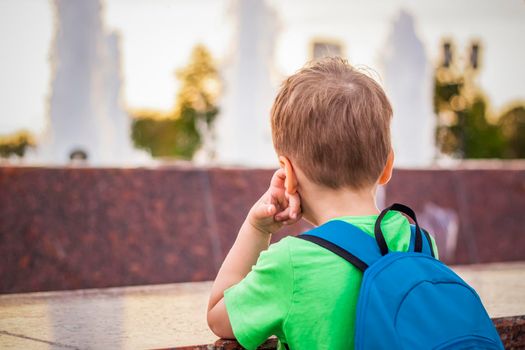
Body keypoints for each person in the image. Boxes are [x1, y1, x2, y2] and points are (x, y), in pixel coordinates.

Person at [207, 57, 433, 349]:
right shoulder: (418, 241)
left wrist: (257, 228)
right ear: (388, 166)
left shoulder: (291, 263)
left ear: (287, 174)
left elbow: (218, 317)